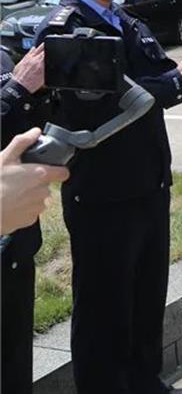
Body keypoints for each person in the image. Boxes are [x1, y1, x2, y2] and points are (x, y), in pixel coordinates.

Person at [34, 0, 182, 394]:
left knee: (145, 298)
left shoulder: (123, 19)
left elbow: (150, 80)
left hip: (147, 180)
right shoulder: (65, 28)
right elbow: (90, 109)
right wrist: (176, 83)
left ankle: (146, 383)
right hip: (103, 191)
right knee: (105, 308)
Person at [2, 46, 70, 394]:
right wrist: (15, 92)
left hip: (16, 247)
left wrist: (39, 96)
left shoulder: (3, 57)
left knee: (15, 367)